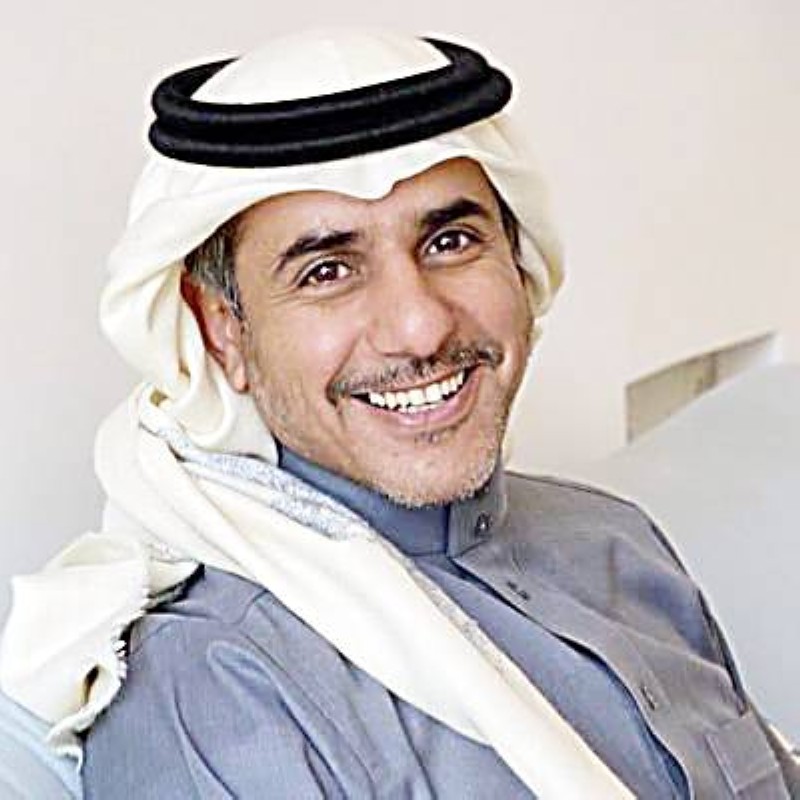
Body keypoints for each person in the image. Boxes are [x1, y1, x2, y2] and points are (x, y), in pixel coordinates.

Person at [0, 28, 796, 799]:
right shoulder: (221, 689)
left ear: (519, 264)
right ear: (222, 331)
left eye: (451, 242)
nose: (420, 327)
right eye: (327, 270)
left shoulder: (617, 542)